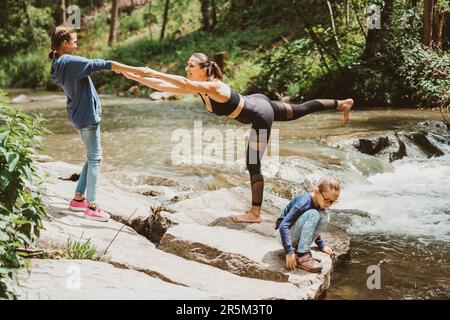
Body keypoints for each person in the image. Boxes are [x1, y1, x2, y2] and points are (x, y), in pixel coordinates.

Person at [119, 53, 353, 224]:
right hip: (258, 100)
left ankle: (255, 213)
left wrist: (151, 70)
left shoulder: (216, 87)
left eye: (191, 65)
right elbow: (164, 85)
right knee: (300, 108)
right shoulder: (202, 87)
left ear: (204, 69)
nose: (187, 68)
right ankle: (340, 103)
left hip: (261, 115)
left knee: (253, 163)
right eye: (187, 65)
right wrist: (131, 75)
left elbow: (180, 82)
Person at [49, 25, 151, 222]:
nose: (76, 45)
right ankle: (92, 206)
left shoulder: (57, 64)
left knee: (91, 155)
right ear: (65, 43)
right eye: (74, 41)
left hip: (78, 115)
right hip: (87, 116)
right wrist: (136, 70)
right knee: (96, 158)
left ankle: (78, 198)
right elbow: (104, 64)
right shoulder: (70, 62)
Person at [275, 177, 341, 273]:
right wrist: (288, 252)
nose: (329, 204)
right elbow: (283, 225)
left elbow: (311, 227)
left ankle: (300, 249)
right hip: (282, 235)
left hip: (293, 235)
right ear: (317, 191)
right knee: (314, 214)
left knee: (324, 216)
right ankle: (302, 255)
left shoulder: (319, 202)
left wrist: (321, 245)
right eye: (327, 200)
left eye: (333, 201)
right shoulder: (303, 203)